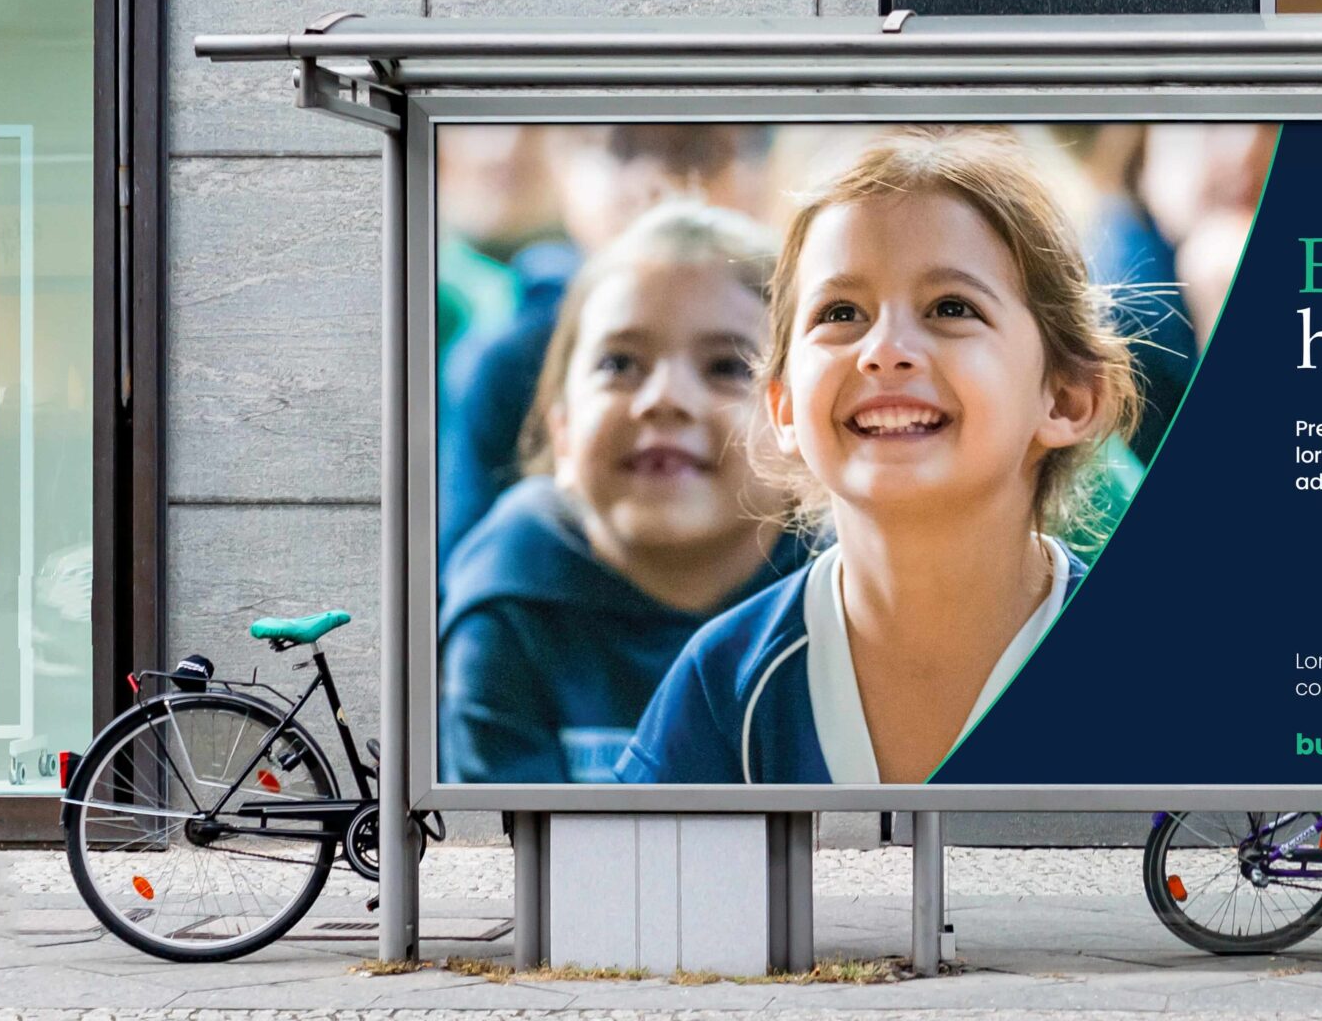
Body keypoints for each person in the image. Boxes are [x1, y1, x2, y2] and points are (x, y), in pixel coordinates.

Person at [617, 128, 1137, 785]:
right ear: (782, 409)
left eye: (951, 307)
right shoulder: (725, 689)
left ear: (1066, 398)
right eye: (841, 312)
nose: (884, 349)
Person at [439, 205, 807, 784]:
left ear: (797, 423)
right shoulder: (508, 605)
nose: (664, 397)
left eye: (727, 366)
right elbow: (505, 861)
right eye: (620, 363)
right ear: (560, 428)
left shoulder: (850, 599)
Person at [438, 123, 763, 564]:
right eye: (619, 150)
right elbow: (454, 572)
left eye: (693, 153)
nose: (651, 181)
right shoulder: (507, 359)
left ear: (756, 176)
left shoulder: (790, 330)